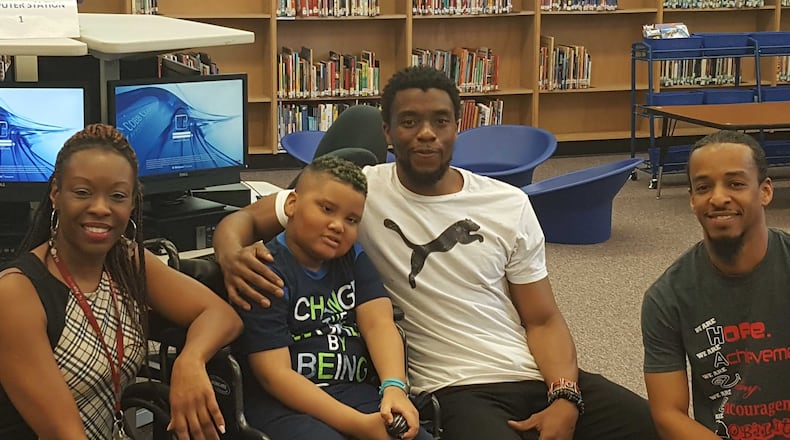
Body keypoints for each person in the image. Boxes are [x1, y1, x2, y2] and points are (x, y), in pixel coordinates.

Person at [213, 65, 659, 440]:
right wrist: (231, 255)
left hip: (534, 374)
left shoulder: (507, 202)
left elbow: (542, 319)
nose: (426, 134)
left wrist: (564, 395)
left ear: (456, 127)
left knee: (651, 426)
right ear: (388, 132)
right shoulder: (357, 195)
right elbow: (245, 220)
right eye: (409, 122)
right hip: (455, 388)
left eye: (440, 121)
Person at [0, 123, 243, 440]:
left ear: (132, 203)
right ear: (56, 194)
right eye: (83, 192)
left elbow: (221, 315)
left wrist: (191, 360)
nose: (100, 208)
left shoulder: (123, 259)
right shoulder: (17, 293)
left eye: (117, 196)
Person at [235, 155, 431, 440]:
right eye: (327, 209)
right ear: (292, 204)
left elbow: (378, 323)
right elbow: (274, 375)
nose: (338, 226)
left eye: (352, 220)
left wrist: (394, 388)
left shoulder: (353, 257)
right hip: (283, 402)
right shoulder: (264, 270)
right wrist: (359, 425)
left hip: (353, 390)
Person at [641, 130, 790, 439]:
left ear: (765, 191)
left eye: (735, 184)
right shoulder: (667, 297)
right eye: (704, 187)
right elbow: (668, 414)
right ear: (692, 199)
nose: (718, 198)